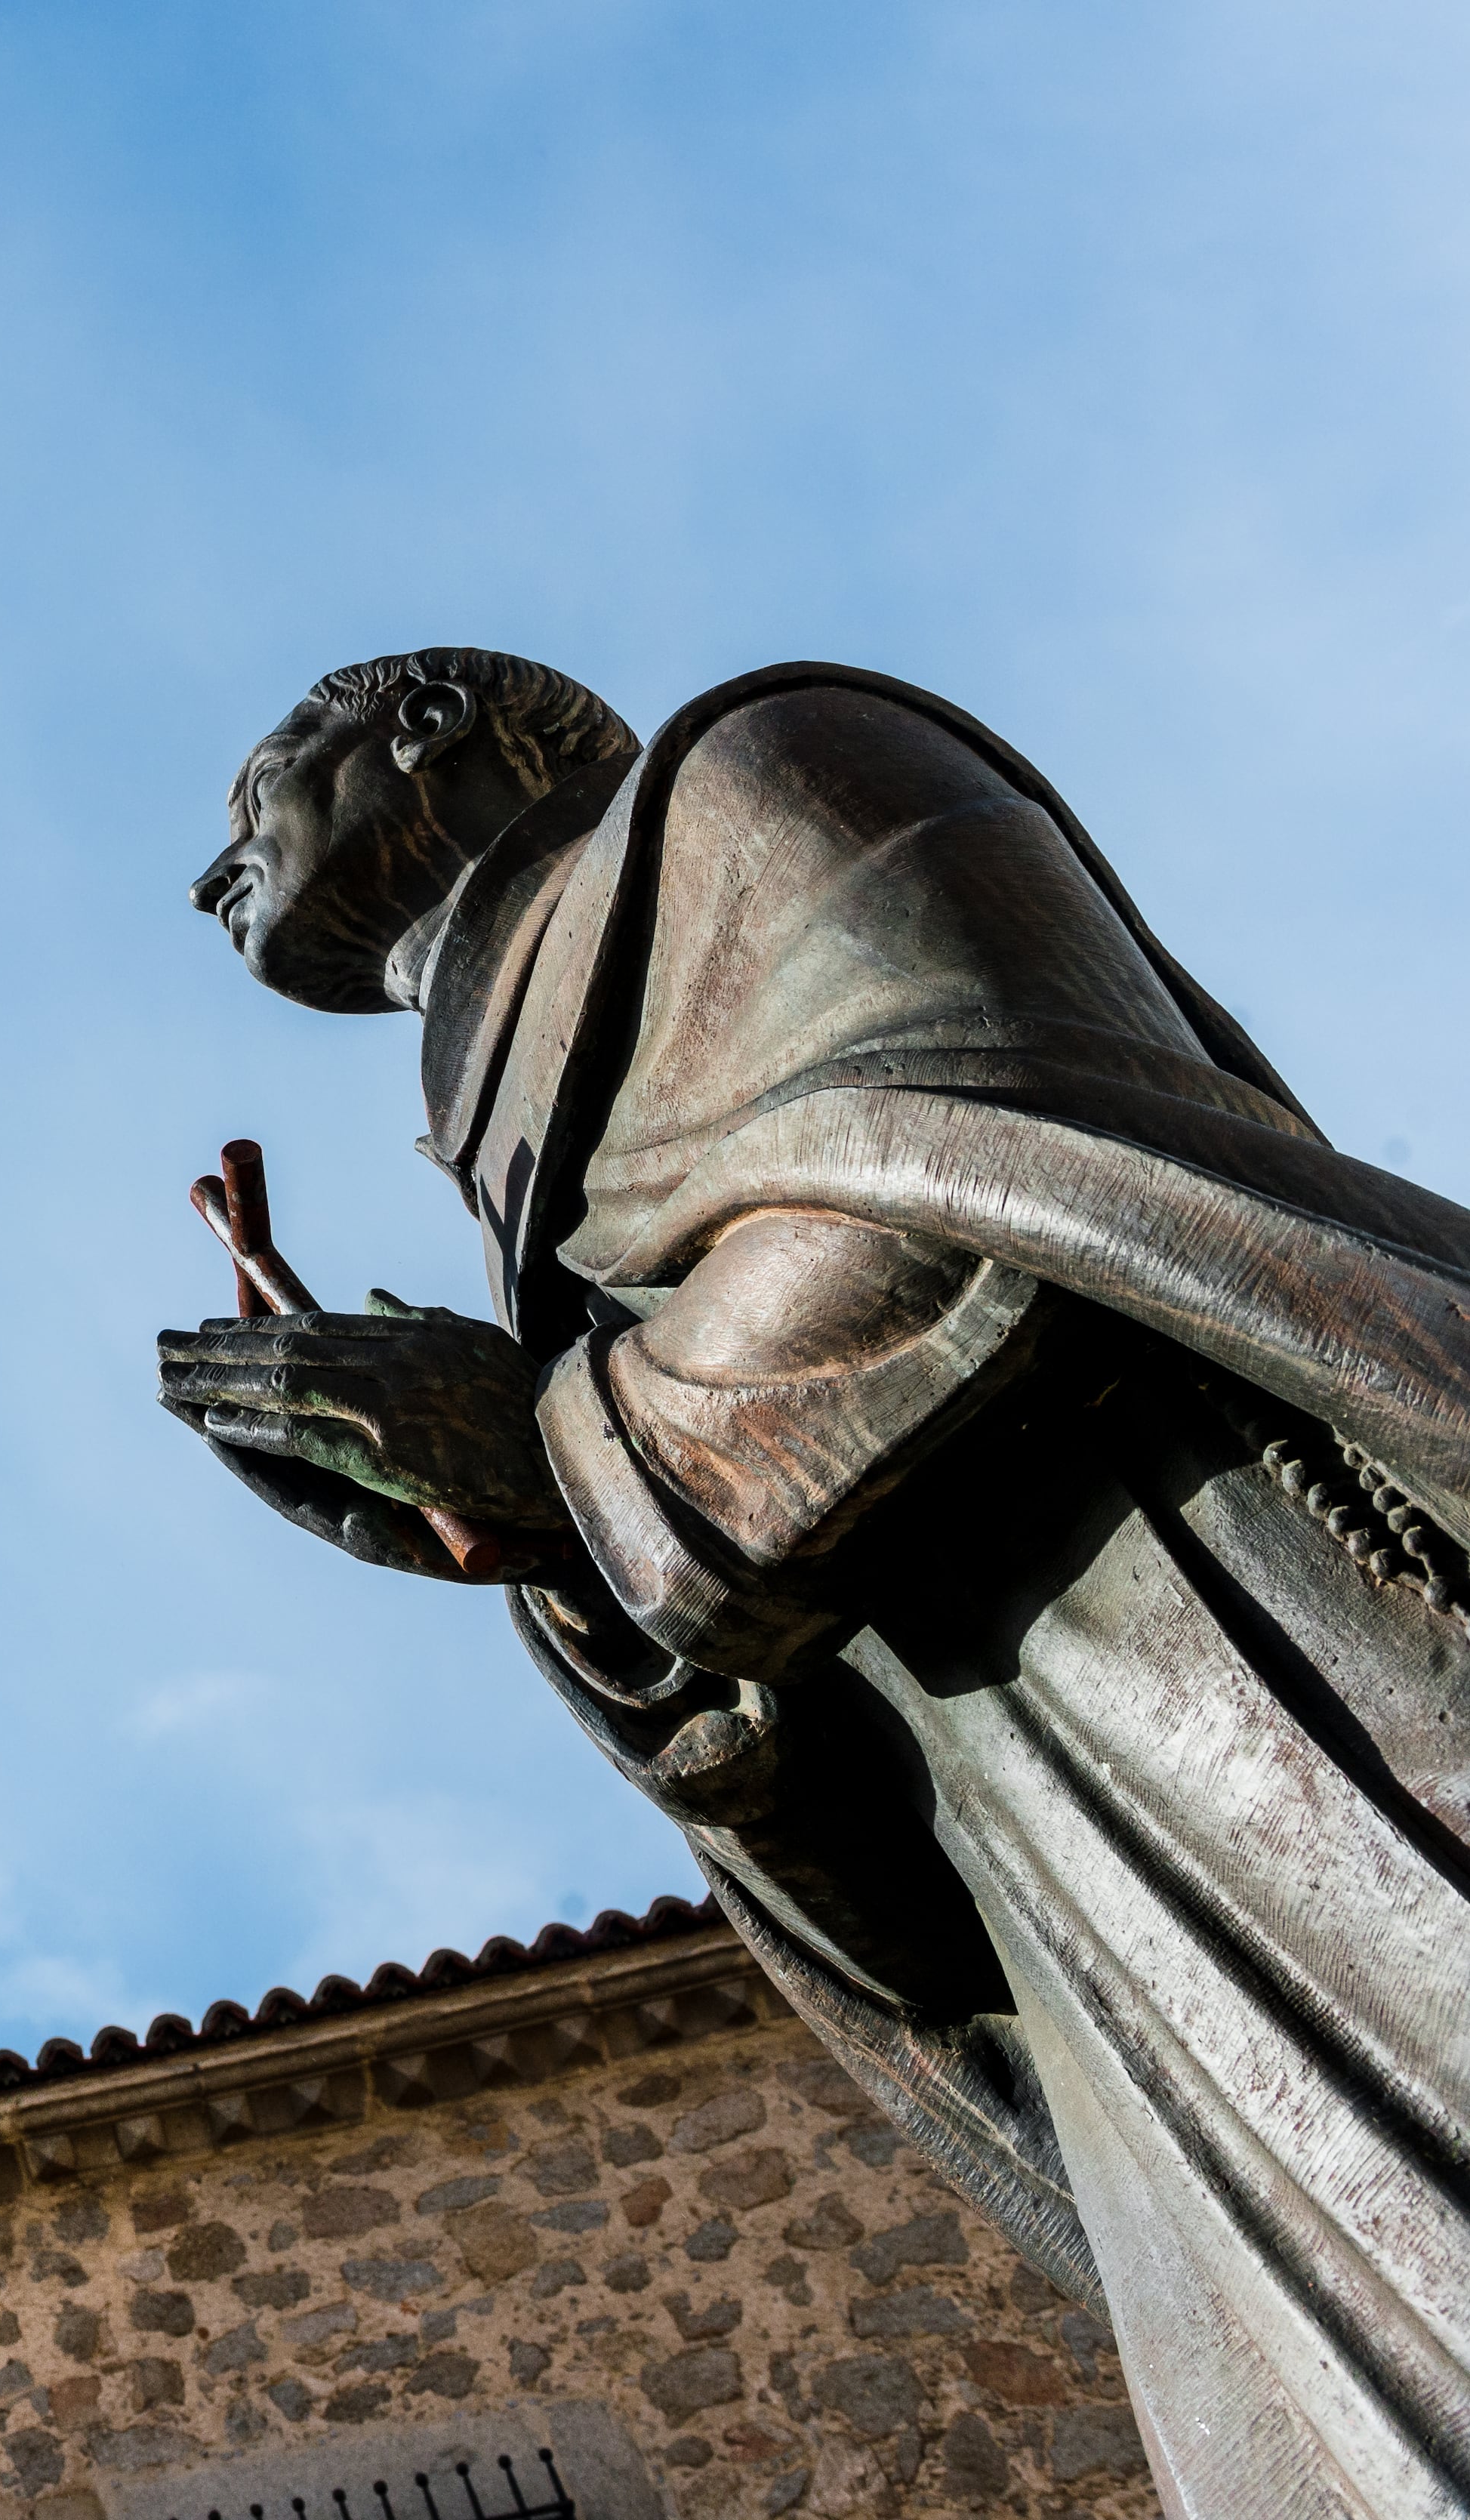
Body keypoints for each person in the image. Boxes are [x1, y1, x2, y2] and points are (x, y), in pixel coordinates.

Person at [160, 650, 1470, 2515]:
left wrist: (562, 1443)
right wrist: (531, 1530)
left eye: (254, 794)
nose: (213, 877)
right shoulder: (514, 1168)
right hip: (1101, 1914)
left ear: (431, 726)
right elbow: (891, 1894)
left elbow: (979, 1157)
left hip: (1291, 1670)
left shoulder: (757, 772)